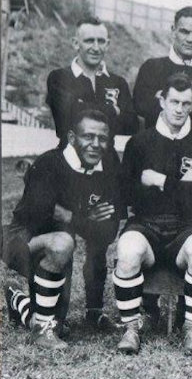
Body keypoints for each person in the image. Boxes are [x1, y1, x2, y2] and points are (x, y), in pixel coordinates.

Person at [114, 73, 192, 354]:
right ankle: (131, 328)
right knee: (127, 250)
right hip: (145, 223)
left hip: (186, 226)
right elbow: (127, 195)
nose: (179, 109)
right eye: (174, 101)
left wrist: (158, 181)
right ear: (162, 100)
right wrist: (183, 182)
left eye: (186, 103)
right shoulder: (139, 142)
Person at [3, 109, 123, 348]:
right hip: (20, 238)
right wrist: (85, 218)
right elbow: (40, 218)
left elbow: (108, 231)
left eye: (102, 138)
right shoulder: (50, 163)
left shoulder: (108, 168)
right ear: (71, 138)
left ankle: (19, 302)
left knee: (60, 323)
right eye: (88, 136)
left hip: (60, 240)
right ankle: (42, 332)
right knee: (62, 243)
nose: (96, 144)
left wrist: (70, 216)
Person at [133, 6, 192, 135]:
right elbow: (140, 107)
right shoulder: (151, 67)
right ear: (173, 31)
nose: (190, 39)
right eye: (184, 32)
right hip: (156, 147)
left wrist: (163, 98)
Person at [46, 17, 138, 143]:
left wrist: (81, 107)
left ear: (107, 45)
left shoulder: (119, 82)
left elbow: (131, 125)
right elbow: (64, 121)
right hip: (69, 159)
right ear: (75, 43)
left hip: (107, 160)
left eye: (101, 41)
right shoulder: (58, 78)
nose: (96, 48)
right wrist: (112, 111)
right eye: (89, 41)